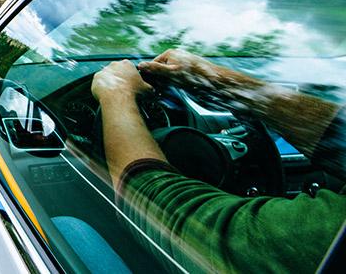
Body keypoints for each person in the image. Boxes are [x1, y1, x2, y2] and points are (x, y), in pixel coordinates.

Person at [90, 49, 346, 273]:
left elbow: (172, 217)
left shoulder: (329, 234)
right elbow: (339, 138)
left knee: (69, 230)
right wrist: (219, 81)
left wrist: (117, 94)